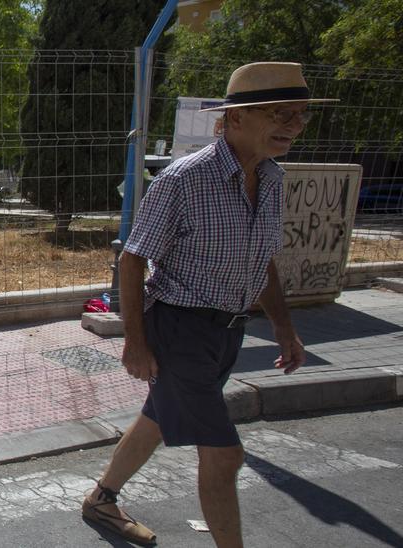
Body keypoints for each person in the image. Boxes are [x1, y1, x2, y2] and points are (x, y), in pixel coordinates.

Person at [81, 62, 336, 547]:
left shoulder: (274, 178)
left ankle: (101, 498)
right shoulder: (184, 180)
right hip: (178, 328)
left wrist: (285, 329)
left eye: (301, 116)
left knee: (158, 418)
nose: (293, 126)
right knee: (224, 455)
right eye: (279, 113)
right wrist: (135, 342)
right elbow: (133, 260)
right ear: (236, 118)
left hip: (227, 330)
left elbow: (263, 260)